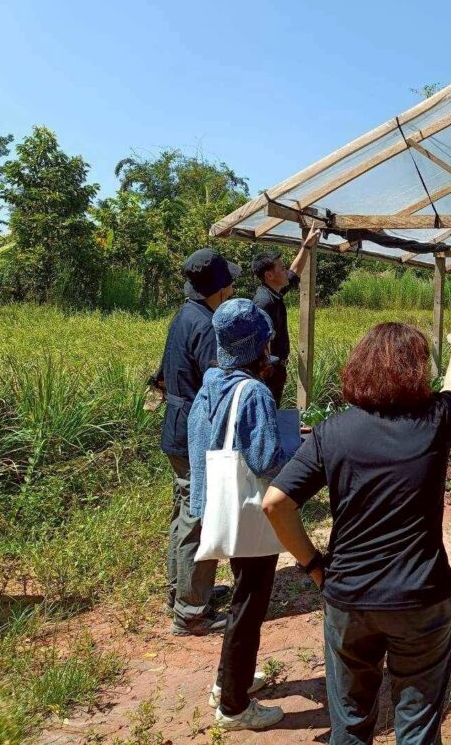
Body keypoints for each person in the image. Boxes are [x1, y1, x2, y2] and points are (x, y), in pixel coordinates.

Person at [262, 318, 451, 745]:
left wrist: (314, 565)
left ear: (358, 368)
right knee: (418, 724)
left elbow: (275, 503)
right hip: (421, 597)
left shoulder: (332, 432)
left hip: (349, 597)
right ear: (416, 371)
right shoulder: (435, 422)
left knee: (351, 723)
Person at [188, 298, 297, 730]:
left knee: (241, 597)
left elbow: (205, 445)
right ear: (258, 345)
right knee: (249, 605)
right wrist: (298, 449)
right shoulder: (253, 392)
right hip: (249, 512)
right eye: (267, 340)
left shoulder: (211, 383)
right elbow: (266, 460)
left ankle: (227, 681)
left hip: (219, 506)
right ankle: (234, 706)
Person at [157, 248, 240, 636]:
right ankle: (191, 611)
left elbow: (161, 374)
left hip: (176, 426)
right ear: (219, 289)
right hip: (195, 431)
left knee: (184, 511)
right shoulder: (207, 326)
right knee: (200, 517)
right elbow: (217, 386)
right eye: (230, 284)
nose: (233, 290)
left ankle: (181, 591)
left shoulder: (184, 315)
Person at [251, 227, 321, 405]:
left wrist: (306, 246)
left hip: (276, 369)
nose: (286, 271)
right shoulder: (263, 303)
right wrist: (269, 372)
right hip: (268, 374)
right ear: (269, 275)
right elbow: (259, 344)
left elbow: (295, 271)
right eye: (282, 268)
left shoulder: (274, 292)